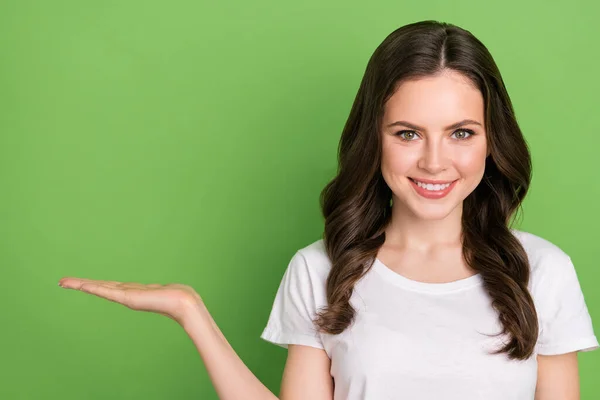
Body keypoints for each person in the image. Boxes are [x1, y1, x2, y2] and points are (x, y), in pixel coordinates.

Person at [58, 20, 598, 400]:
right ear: (375, 140)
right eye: (407, 133)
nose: (435, 162)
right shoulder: (320, 270)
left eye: (461, 132)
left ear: (490, 140)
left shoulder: (542, 272)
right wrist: (191, 313)